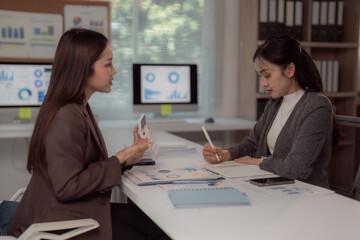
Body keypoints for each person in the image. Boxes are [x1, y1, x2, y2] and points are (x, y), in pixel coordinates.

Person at [8, 28, 168, 240]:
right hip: (57, 224)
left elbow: (84, 170)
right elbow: (67, 186)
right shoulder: (67, 115)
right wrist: (119, 158)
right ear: (83, 68)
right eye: (108, 64)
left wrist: (126, 158)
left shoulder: (78, 107)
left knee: (155, 225)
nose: (115, 71)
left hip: (72, 211)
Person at [203, 35, 339, 188]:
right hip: (274, 185)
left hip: (305, 193)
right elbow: (253, 143)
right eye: (260, 76)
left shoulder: (317, 106)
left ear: (290, 69)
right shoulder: (275, 102)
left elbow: (297, 168)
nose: (263, 83)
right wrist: (225, 154)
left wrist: (260, 162)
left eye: (267, 75)